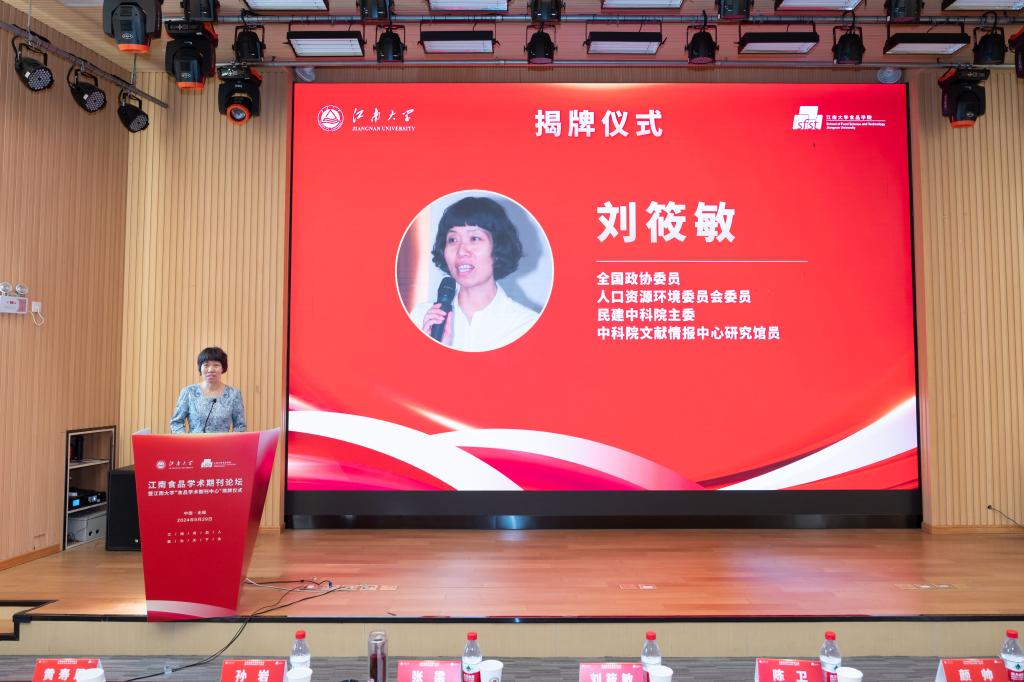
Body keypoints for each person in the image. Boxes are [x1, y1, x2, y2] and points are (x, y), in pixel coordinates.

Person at [412, 196, 540, 352]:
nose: (461, 251)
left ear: (498, 248)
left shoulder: (525, 325)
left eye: (474, 238)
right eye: (452, 240)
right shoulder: (422, 317)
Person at [169, 346, 247, 433]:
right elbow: (176, 423)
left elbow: (240, 426)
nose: (210, 370)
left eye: (216, 365)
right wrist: (185, 438)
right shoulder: (189, 392)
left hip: (223, 442)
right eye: (206, 365)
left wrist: (231, 440)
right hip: (194, 441)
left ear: (223, 368)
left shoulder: (234, 394)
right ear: (200, 368)